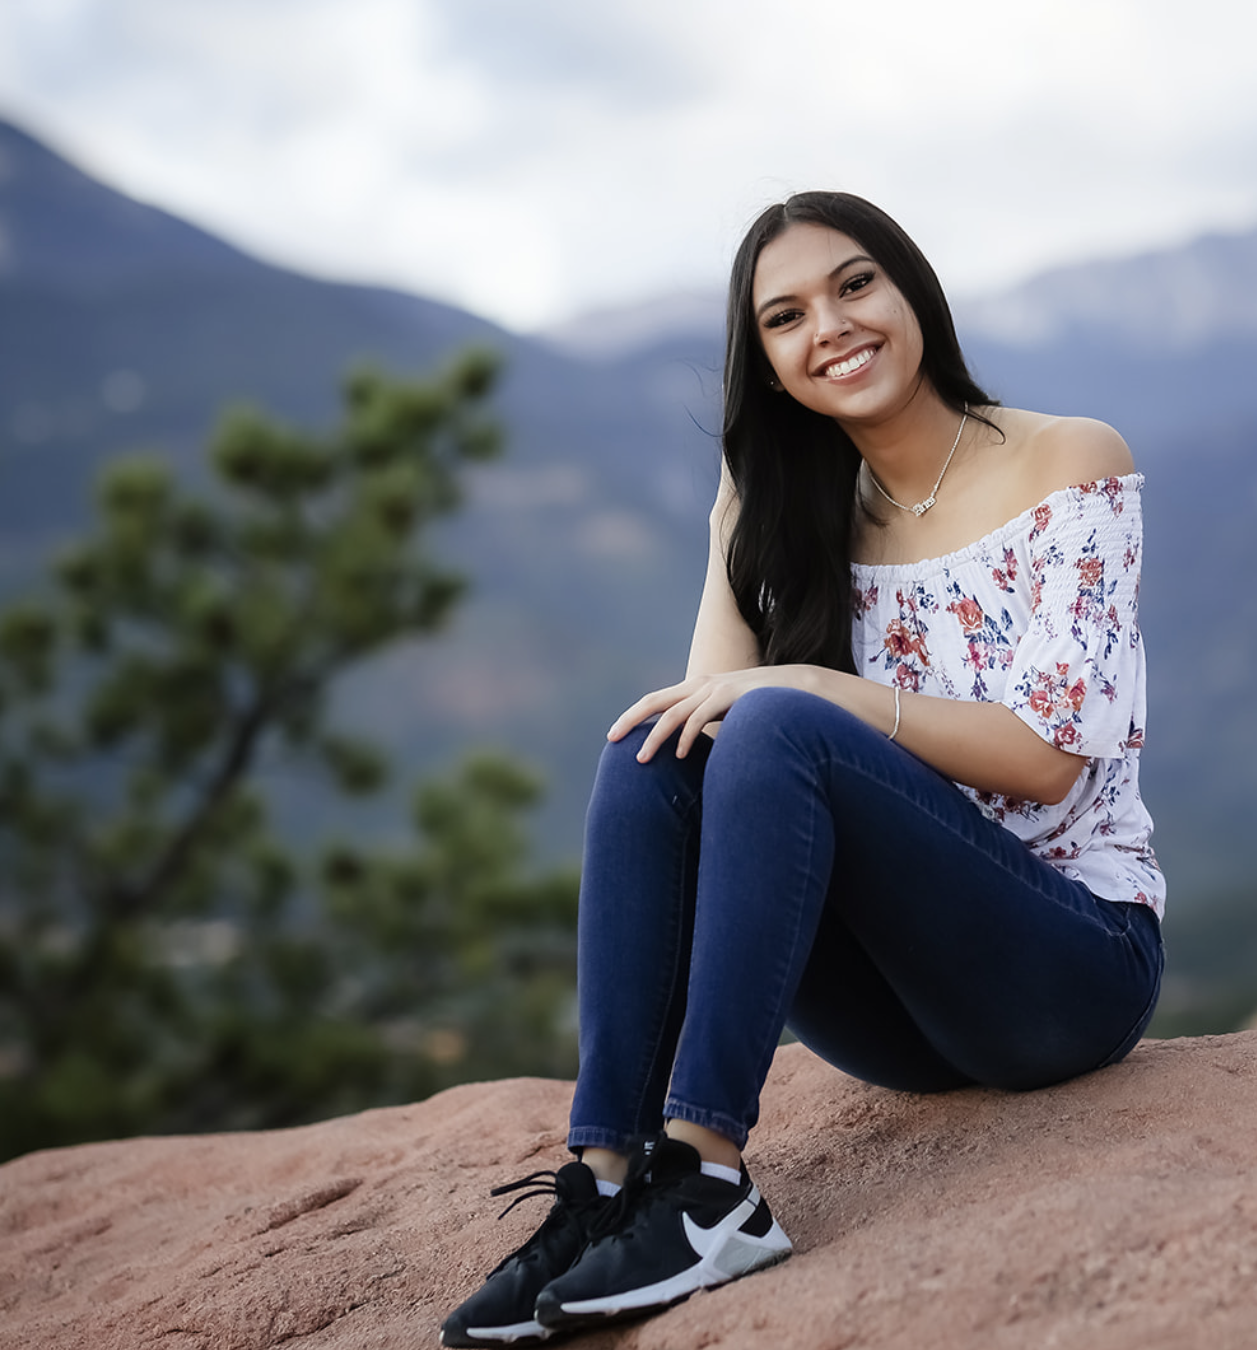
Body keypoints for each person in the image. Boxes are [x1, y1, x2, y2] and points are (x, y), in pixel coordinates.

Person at [439, 191, 1166, 1347]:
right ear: (769, 367)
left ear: (911, 290)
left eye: (853, 285)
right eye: (784, 317)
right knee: (655, 745)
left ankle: (713, 1181)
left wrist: (821, 688)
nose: (828, 325)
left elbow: (1040, 760)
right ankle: (608, 1179)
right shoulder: (797, 507)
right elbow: (698, 739)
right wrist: (741, 512)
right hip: (898, 1023)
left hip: (1065, 970)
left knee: (779, 717)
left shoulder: (1064, 463)